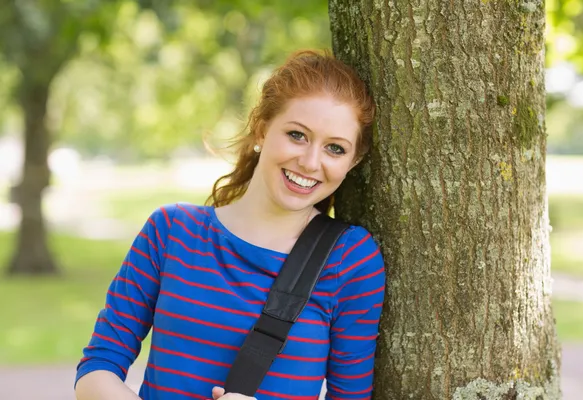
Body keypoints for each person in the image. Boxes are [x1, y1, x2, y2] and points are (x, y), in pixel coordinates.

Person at [74, 49, 386, 400]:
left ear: (353, 161)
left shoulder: (351, 259)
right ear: (262, 130)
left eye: (335, 148)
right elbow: (98, 366)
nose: (311, 162)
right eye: (297, 135)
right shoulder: (171, 231)